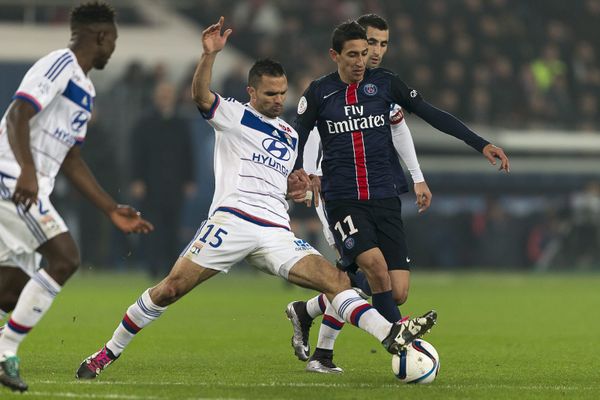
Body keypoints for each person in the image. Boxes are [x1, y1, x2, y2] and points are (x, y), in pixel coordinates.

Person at [75, 17, 437, 381]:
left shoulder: (289, 134)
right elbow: (200, 95)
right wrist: (208, 56)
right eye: (270, 94)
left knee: (338, 282)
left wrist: (294, 186)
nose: (278, 101)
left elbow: (283, 180)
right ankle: (105, 353)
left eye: (282, 94)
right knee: (170, 289)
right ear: (252, 93)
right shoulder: (232, 115)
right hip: (231, 221)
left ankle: (391, 334)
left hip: (276, 231)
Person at [290, 20, 510, 373]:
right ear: (335, 55)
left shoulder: (386, 84)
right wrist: (299, 171)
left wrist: (479, 143)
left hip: (385, 197)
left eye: (369, 51)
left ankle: (310, 309)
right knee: (374, 268)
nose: (364, 59)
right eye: (356, 53)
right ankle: (402, 345)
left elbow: (431, 114)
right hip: (342, 199)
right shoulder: (319, 93)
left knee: (394, 290)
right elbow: (297, 135)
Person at [0, 2, 154, 392]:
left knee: (13, 292)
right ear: (101, 37)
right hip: (12, 179)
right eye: (114, 40)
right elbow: (19, 113)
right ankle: (5, 351)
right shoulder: (59, 65)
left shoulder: (85, 90)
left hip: (29, 186)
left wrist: (109, 209)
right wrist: (29, 172)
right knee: (66, 257)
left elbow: (71, 158)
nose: (114, 48)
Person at [286, 14, 433, 373]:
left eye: (382, 45)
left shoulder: (381, 88)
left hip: (376, 192)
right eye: (369, 46)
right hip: (331, 190)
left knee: (378, 285)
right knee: (371, 268)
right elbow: (313, 135)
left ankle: (311, 319)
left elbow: (399, 132)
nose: (374, 54)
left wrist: (417, 176)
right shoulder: (328, 92)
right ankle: (396, 340)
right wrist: (309, 175)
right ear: (342, 52)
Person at [129, 81, 196, 277]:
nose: (165, 97)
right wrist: (136, 179)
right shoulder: (144, 122)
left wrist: (189, 180)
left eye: (168, 94)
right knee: (152, 228)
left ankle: (171, 268)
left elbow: (188, 153)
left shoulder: (181, 123)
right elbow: (136, 154)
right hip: (151, 184)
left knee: (173, 227)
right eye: (162, 94)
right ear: (155, 97)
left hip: (175, 184)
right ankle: (153, 267)